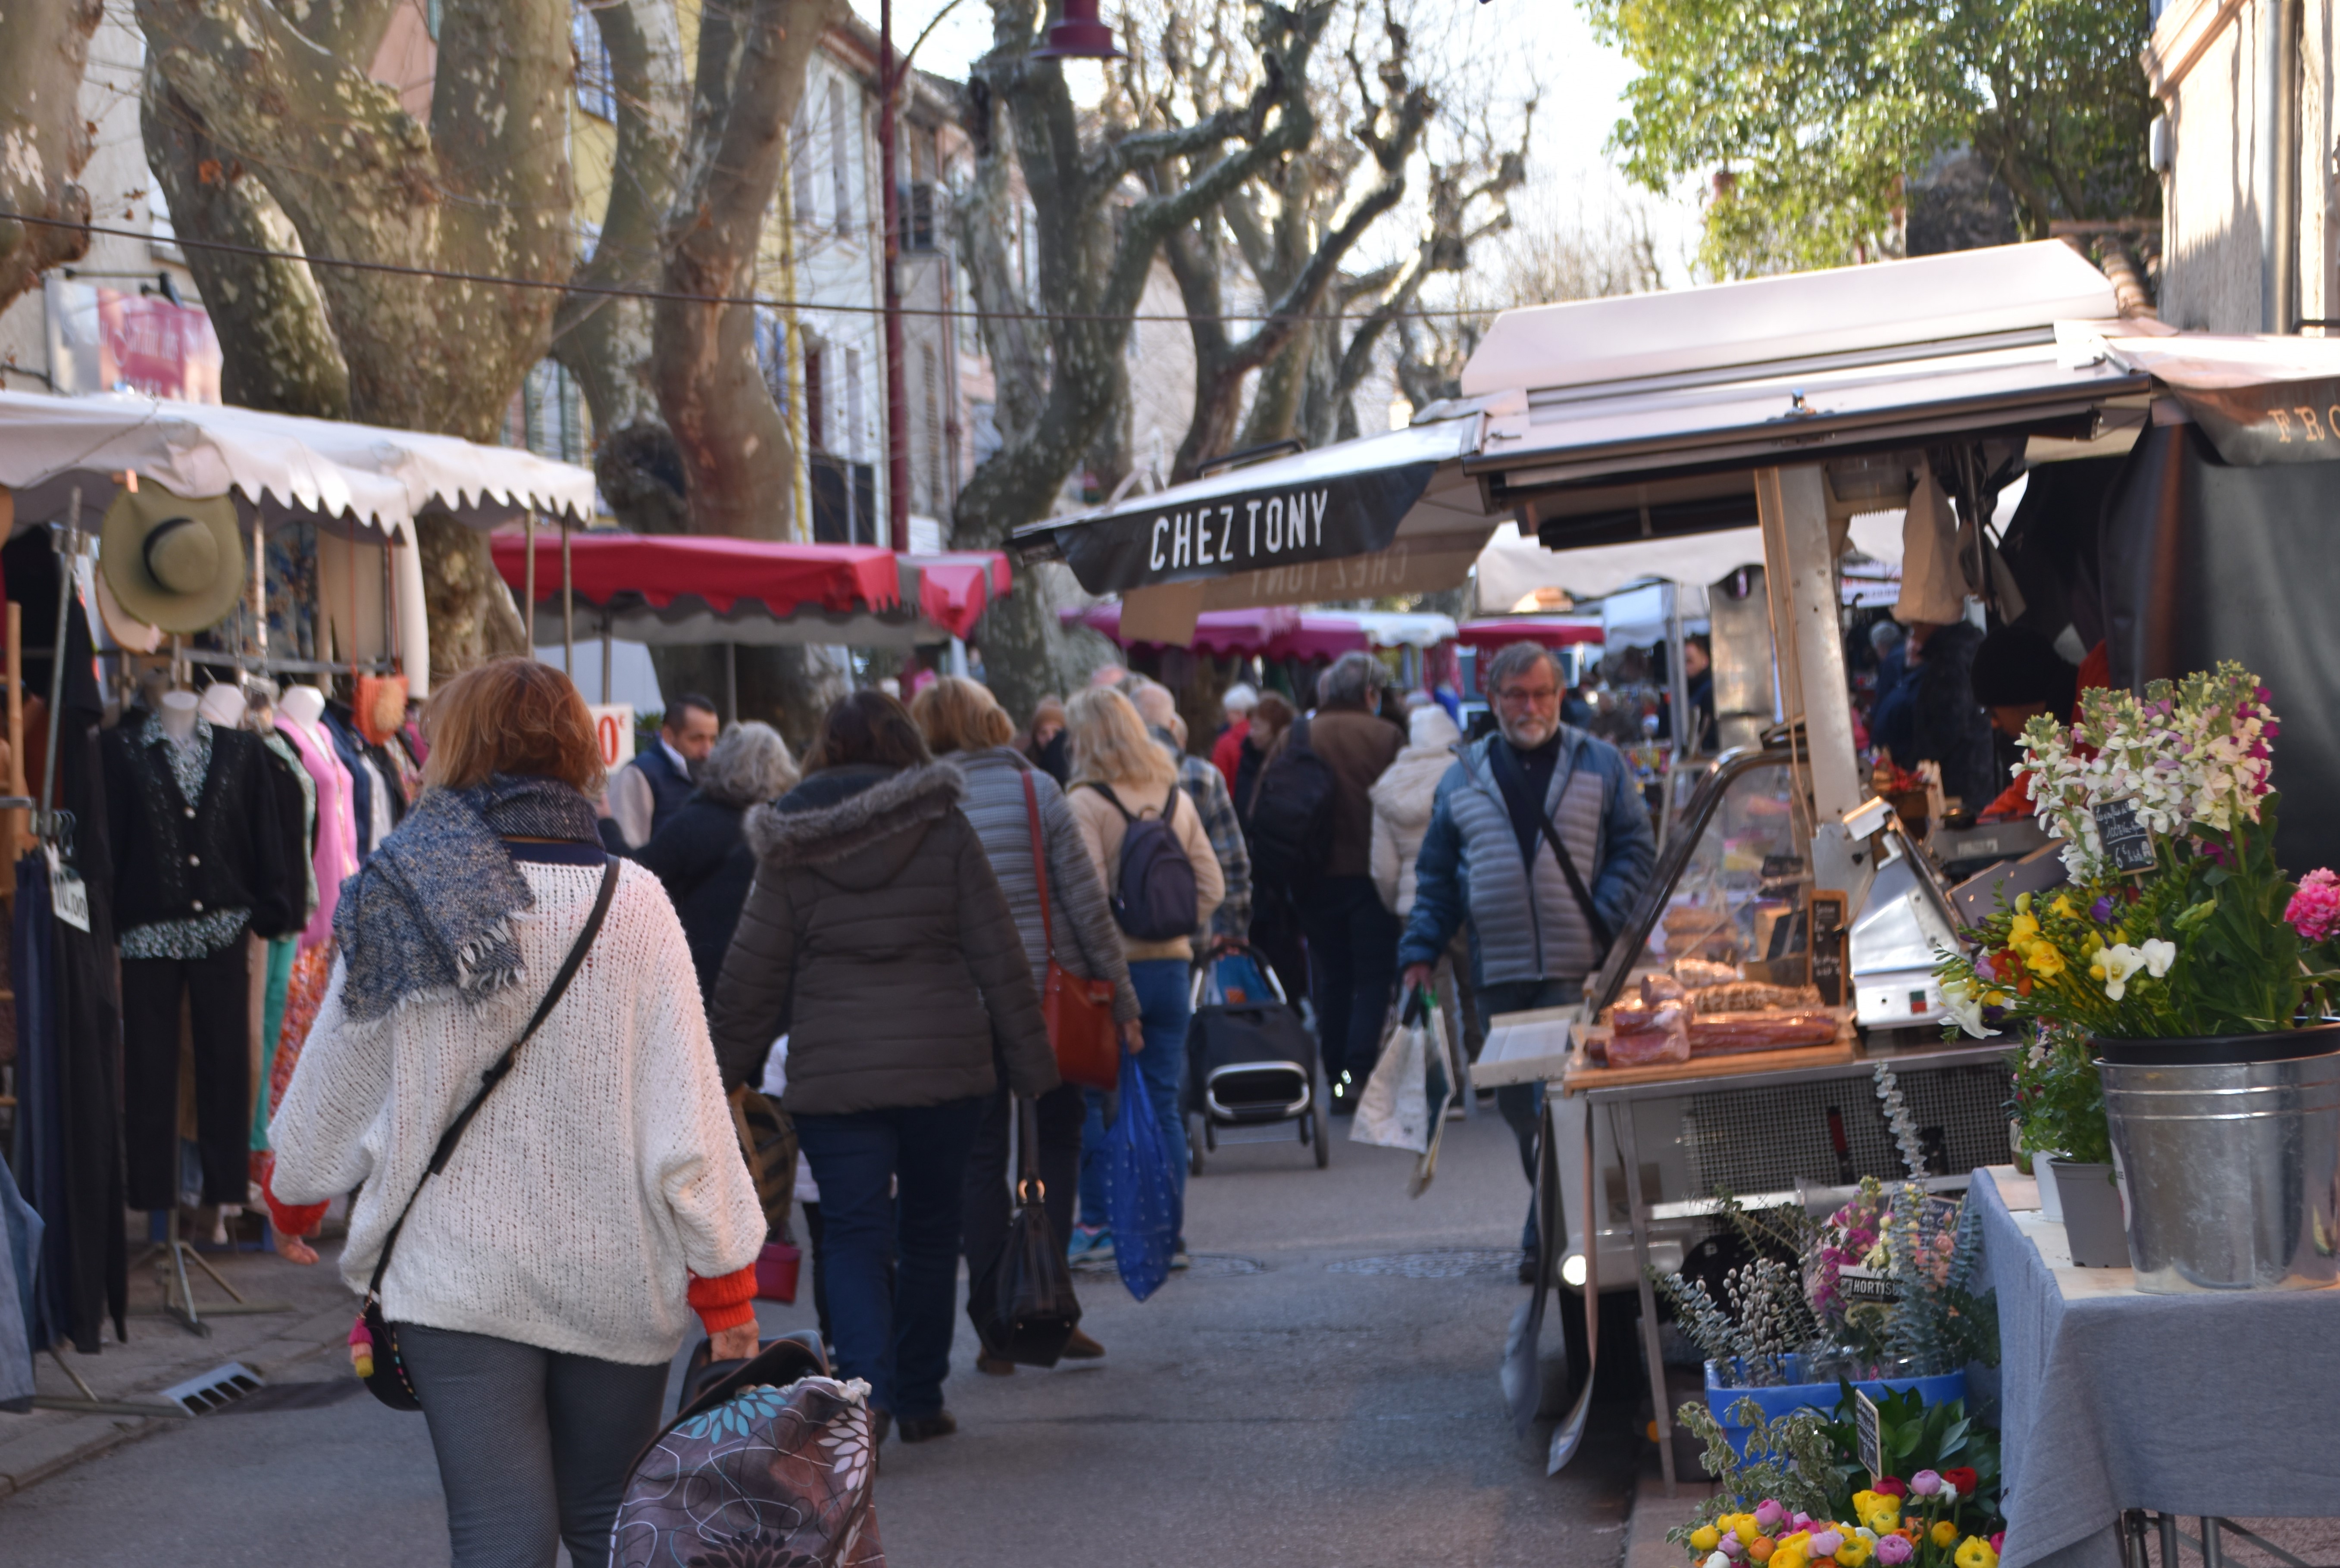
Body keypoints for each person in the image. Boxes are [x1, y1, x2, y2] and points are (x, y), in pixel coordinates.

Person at [266, 659, 765, 1568]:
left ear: (452, 745)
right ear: (577, 749)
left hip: (457, 1278)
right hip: (617, 1273)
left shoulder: (401, 895)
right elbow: (688, 1108)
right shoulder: (636, 903)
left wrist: (297, 1196)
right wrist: (725, 1287)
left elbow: (333, 1083)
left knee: (500, 1536)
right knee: (613, 1528)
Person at [708, 690, 1054, 1445]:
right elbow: (997, 949)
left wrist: (715, 1078)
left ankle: (862, 1398)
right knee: (933, 1231)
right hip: (945, 1066)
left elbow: (752, 972)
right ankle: (921, 1394)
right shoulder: (943, 824)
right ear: (905, 744)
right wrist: (1030, 1061)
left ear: (821, 749)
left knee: (855, 1234)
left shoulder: (791, 836)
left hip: (836, 1077)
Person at [1396, 642, 1656, 1278]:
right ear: (1494, 698)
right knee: (1521, 1111)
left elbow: (1636, 848)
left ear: (1560, 695)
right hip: (1499, 974)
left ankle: (1551, 1233)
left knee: (1566, 1104)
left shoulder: (1602, 764)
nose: (1530, 706)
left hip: (1578, 967)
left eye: (1541, 693)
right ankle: (1552, 1215)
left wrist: (1604, 909)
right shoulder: (1463, 776)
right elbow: (1435, 877)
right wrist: (1420, 952)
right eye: (1516, 694)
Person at [907, 677, 1134, 1372]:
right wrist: (1121, 996)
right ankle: (1046, 1300)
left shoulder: (920, 801)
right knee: (1056, 1145)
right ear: (993, 720)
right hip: (1044, 999)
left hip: (962, 1004)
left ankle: (992, 1323)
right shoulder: (1039, 792)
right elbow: (1086, 904)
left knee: (980, 1158)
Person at [1062, 687, 1224, 1265]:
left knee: (1094, 1098)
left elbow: (1085, 898)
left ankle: (1100, 1223)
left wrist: (1121, 937)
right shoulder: (1174, 796)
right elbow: (1212, 885)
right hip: (1173, 967)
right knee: (1161, 1099)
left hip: (1111, 973)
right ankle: (1167, 1229)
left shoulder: (1086, 801)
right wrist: (1169, 925)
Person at [1283, 650, 1405, 1111]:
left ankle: (1335, 1077)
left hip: (1311, 875)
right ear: (1370, 694)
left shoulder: (1295, 734)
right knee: (1373, 976)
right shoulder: (1387, 736)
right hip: (1371, 874)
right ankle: (1356, 1073)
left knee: (1332, 976)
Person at [633, 721, 798, 1000]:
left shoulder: (692, 823)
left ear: (723, 761)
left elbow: (636, 883)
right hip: (769, 983)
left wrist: (608, 826)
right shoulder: (787, 829)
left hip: (695, 981)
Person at [1122, 676, 1252, 952]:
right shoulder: (1204, 776)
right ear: (1173, 725)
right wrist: (1232, 929)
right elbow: (1232, 860)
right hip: (1192, 932)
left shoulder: (1110, 777)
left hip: (1125, 939)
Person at [1970, 627, 2110, 823]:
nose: (1994, 724)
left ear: (2019, 698)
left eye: (1992, 712)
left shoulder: (2100, 697)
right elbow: (2016, 802)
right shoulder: (2053, 732)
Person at [603, 693, 720, 849]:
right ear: (668, 735)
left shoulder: (712, 774)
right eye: (697, 739)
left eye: (712, 740)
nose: (708, 750)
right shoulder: (640, 774)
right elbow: (627, 852)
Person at [1903, 618, 1995, 811]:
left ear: (1927, 623)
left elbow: (1947, 725)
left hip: (1959, 779)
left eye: (1913, 627)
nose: (1914, 635)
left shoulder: (1949, 659)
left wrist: (1916, 767)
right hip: (1979, 769)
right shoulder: (1968, 648)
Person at [1211, 681, 1258, 791]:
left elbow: (1218, 780)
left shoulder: (1226, 742)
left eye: (1229, 713)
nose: (1227, 718)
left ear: (1239, 713)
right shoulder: (1263, 739)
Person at [1021, 694, 1071, 785]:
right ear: (1035, 736)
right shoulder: (1024, 763)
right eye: (1043, 733)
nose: (1050, 738)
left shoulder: (1074, 763)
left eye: (1056, 732)